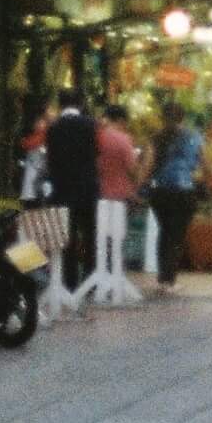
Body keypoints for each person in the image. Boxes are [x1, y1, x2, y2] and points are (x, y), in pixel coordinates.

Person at [44, 89, 98, 290]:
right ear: (81, 103)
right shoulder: (91, 125)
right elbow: (96, 154)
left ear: (60, 105)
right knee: (90, 235)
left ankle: (69, 281)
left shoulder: (53, 128)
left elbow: (51, 161)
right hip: (87, 189)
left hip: (62, 190)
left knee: (67, 238)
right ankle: (91, 280)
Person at [147, 100, 205, 290]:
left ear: (162, 118)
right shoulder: (194, 137)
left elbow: (147, 164)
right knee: (177, 235)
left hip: (160, 192)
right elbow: (207, 165)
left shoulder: (155, 138)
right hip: (184, 191)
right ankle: (169, 280)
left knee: (164, 232)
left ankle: (163, 278)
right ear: (183, 117)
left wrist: (138, 185)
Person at [95, 105, 145, 272]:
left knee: (101, 235)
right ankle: (115, 271)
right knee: (117, 236)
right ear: (122, 120)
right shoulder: (124, 139)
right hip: (121, 194)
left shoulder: (96, 137)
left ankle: (101, 270)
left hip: (98, 193)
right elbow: (132, 169)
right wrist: (137, 188)